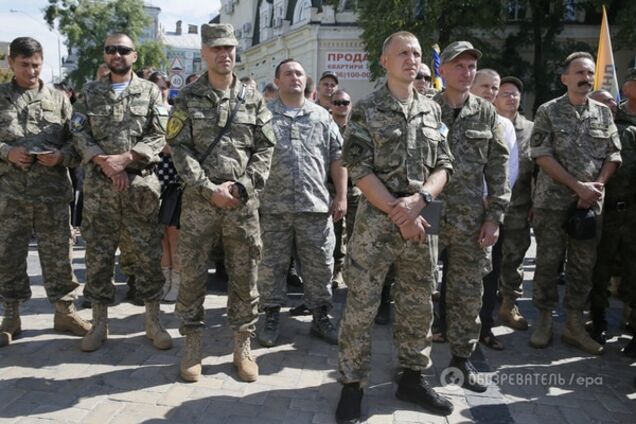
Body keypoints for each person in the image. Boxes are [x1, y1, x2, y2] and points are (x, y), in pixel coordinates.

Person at [335, 31, 454, 423]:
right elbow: (358, 169)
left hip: (421, 224)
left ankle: (412, 378)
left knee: (418, 306)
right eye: (402, 52)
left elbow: (444, 166)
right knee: (361, 308)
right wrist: (398, 211)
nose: (411, 58)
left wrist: (420, 201)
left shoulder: (432, 110)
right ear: (384, 61)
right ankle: (352, 385)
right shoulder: (366, 110)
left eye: (416, 53)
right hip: (376, 226)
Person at [169, 23, 276, 383]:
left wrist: (244, 186)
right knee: (193, 276)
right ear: (204, 53)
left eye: (228, 47)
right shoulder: (186, 98)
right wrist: (206, 187)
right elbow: (179, 149)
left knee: (245, 277)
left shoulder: (251, 97)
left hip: (242, 207)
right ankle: (193, 345)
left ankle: (242, 346)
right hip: (200, 205)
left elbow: (265, 148)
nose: (223, 54)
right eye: (216, 48)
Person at [72, 33, 171, 353]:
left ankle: (153, 322)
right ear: (105, 55)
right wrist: (105, 162)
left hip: (140, 186)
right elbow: (77, 131)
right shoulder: (90, 92)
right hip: (100, 187)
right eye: (111, 50)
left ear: (134, 56)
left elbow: (160, 134)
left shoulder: (150, 91)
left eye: (124, 50)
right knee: (98, 256)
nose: (117, 54)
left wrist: (127, 159)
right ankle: (99, 323)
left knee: (147, 256)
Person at [0, 37, 91, 347]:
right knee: (9, 256)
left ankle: (64, 311)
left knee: (59, 257)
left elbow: (77, 142)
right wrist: (7, 152)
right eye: (24, 65)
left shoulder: (60, 100)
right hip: (10, 196)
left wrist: (62, 157)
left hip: (53, 195)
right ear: (11, 62)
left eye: (36, 65)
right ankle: (11, 315)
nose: (31, 71)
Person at [529, 51, 621, 355]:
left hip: (590, 206)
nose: (584, 78)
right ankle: (543, 321)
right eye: (579, 73)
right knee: (547, 263)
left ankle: (573, 326)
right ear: (565, 78)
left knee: (583, 267)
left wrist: (596, 187)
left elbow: (613, 155)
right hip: (553, 203)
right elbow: (541, 154)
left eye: (589, 73)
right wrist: (576, 186)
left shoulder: (604, 113)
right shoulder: (548, 111)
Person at [433, 41, 510, 392]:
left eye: (471, 67)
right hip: (429, 217)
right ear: (443, 70)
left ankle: (461, 361)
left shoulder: (486, 112)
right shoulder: (425, 109)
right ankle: (412, 364)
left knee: (467, 293)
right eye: (459, 66)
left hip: (470, 219)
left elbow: (497, 168)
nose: (466, 72)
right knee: (417, 292)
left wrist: (494, 217)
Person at [256, 59, 346, 348]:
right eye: (288, 73)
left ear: (305, 80)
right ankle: (270, 316)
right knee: (271, 265)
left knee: (320, 265)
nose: (294, 77)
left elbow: (338, 158)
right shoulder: (263, 116)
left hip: (315, 207)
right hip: (273, 208)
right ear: (277, 80)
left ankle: (321, 316)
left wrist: (342, 196)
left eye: (299, 73)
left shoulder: (322, 117)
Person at [469, 68, 519, 351]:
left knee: (490, 271)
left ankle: (484, 327)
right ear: (473, 87)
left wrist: (493, 201)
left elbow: (510, 169)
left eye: (494, 87)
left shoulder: (504, 125)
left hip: (492, 211)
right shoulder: (459, 118)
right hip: (463, 207)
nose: (490, 92)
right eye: (485, 86)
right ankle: (445, 324)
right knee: (454, 270)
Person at [589, 69, 636, 351]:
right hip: (605, 210)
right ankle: (598, 322)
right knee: (600, 269)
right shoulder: (609, 118)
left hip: (633, 213)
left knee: (633, 270)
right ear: (629, 87)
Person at [494, 76, 534, 332]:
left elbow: (539, 169)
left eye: (515, 93)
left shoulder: (532, 129)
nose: (511, 97)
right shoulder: (487, 124)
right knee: (485, 258)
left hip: (519, 206)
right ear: (495, 98)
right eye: (505, 93)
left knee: (514, 257)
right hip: (488, 206)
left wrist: (536, 203)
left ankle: (509, 304)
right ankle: (481, 304)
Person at [148, 72, 180, 302]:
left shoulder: (175, 112)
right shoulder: (144, 113)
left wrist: (158, 146)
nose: (161, 90)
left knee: (173, 232)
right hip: (149, 178)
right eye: (156, 86)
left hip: (174, 180)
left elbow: (176, 147)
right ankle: (165, 279)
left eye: (164, 86)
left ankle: (177, 282)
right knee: (158, 234)